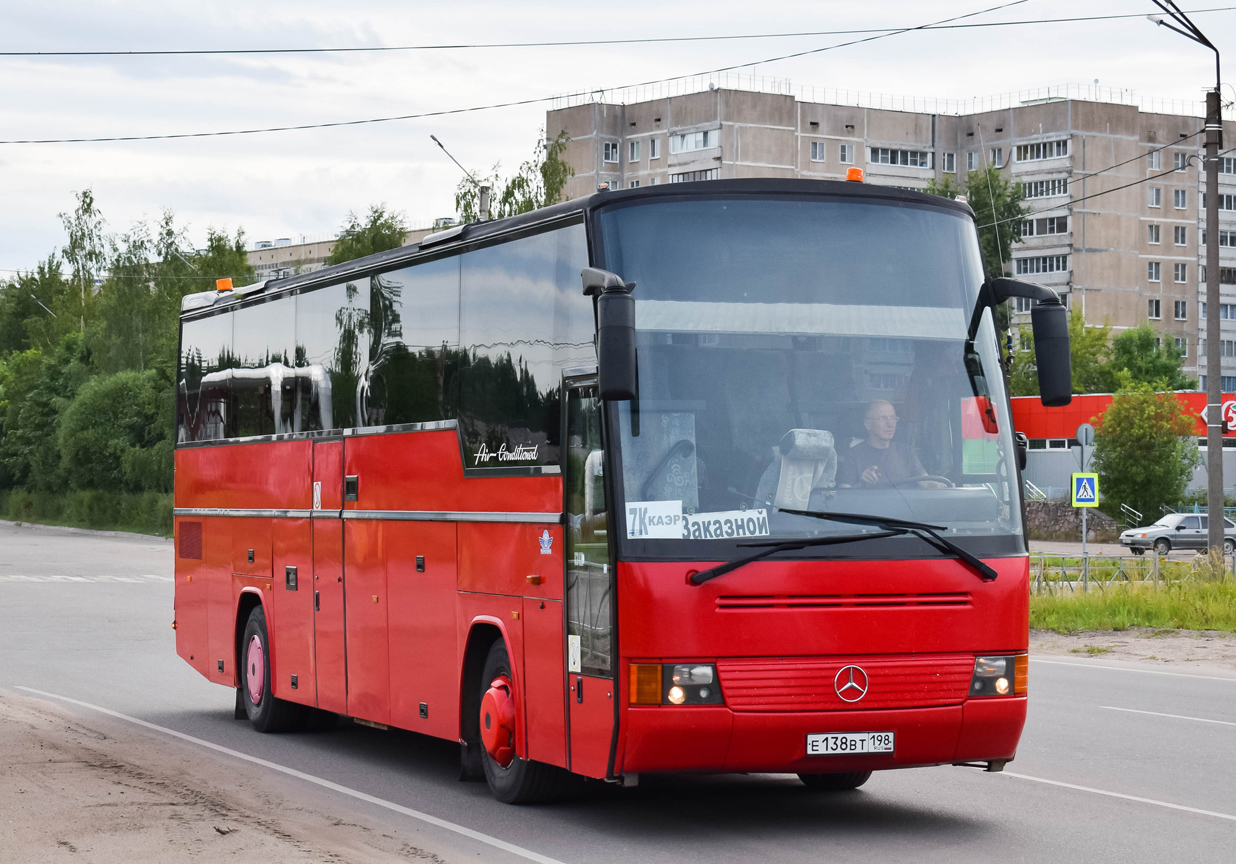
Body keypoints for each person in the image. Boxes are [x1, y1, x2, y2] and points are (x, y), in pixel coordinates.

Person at [837, 400, 940, 489]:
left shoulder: (905, 451)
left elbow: (924, 481)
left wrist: (939, 486)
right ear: (868, 424)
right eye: (883, 418)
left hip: (906, 509)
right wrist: (861, 485)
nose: (890, 424)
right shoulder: (852, 455)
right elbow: (844, 497)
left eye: (893, 418)